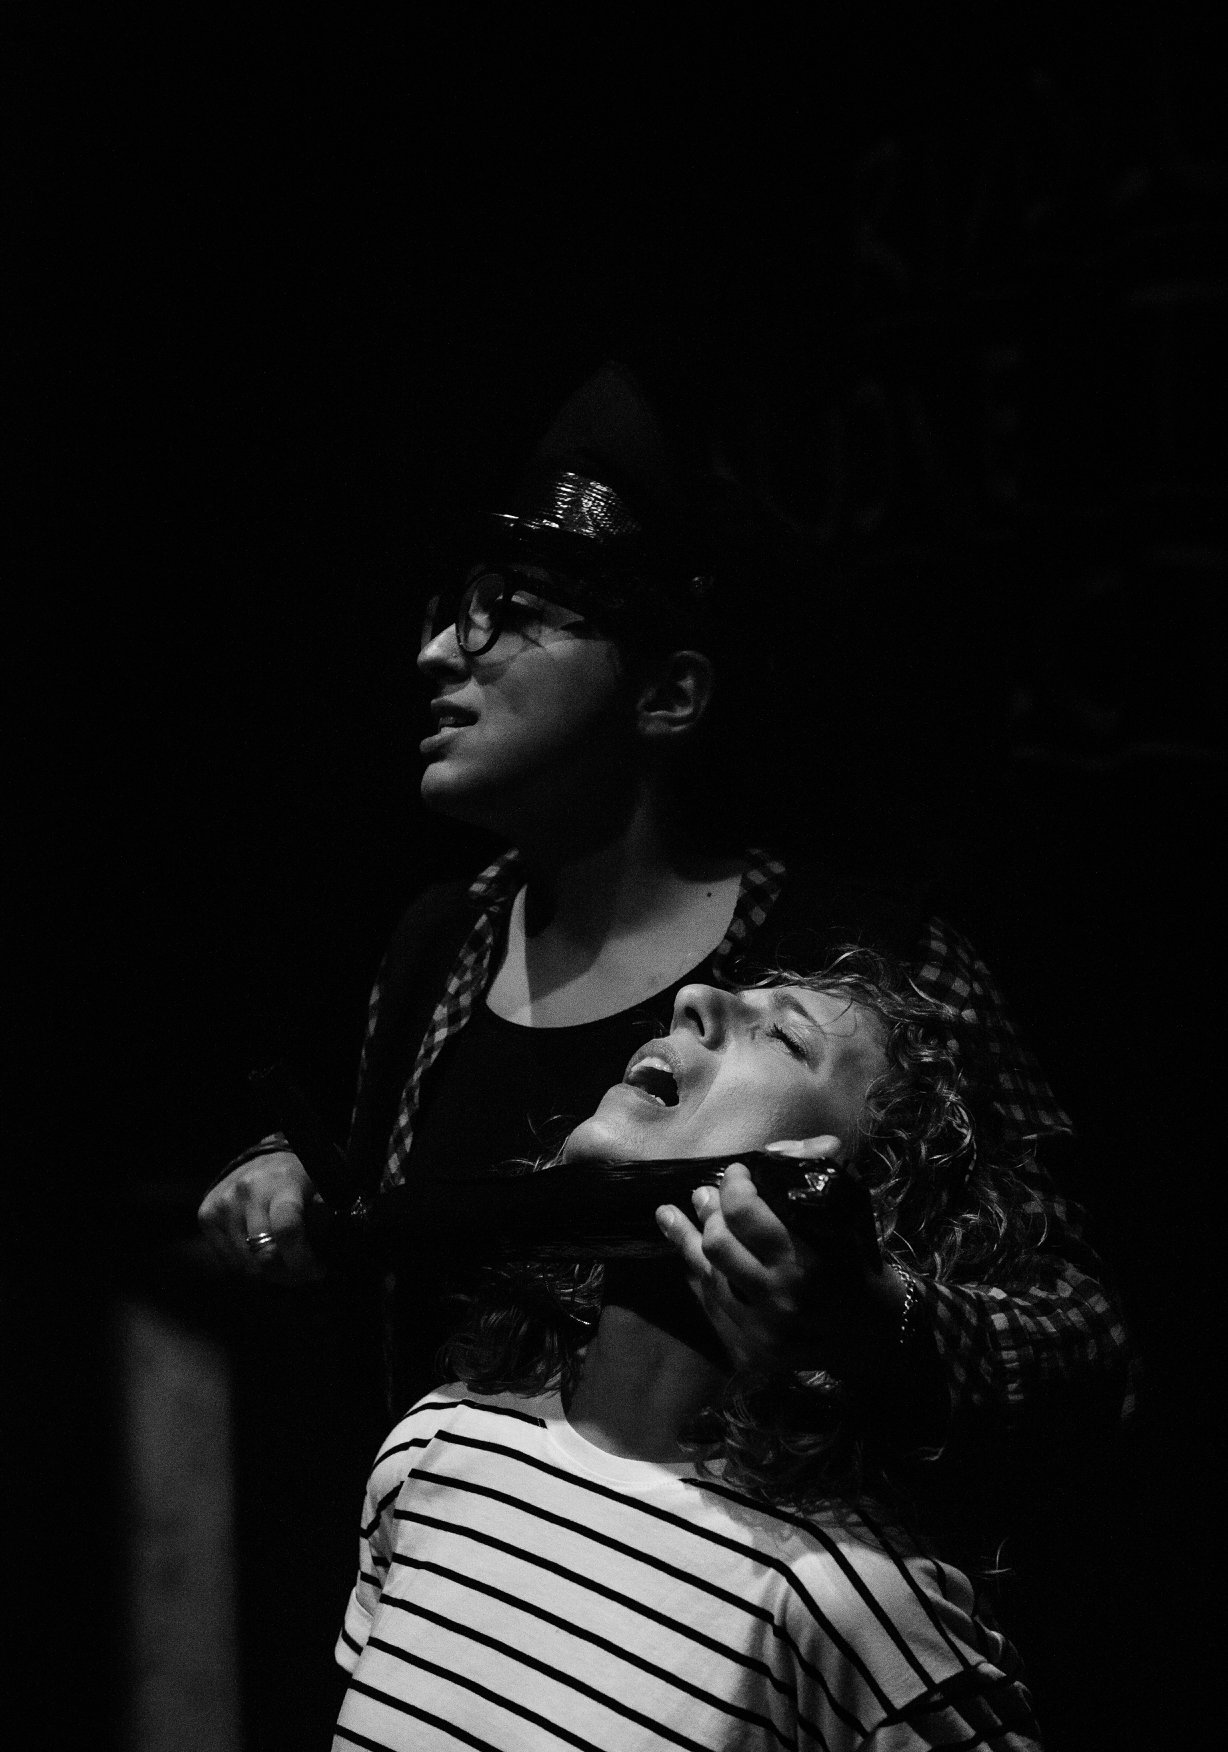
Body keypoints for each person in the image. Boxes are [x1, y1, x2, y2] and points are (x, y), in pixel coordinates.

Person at [199, 354, 1134, 1460]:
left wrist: (875, 1322)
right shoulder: (444, 944)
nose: (438, 652)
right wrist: (294, 1184)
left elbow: (1088, 1341)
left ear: (669, 693)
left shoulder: (870, 961)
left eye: (509, 614)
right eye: (452, 612)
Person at [331, 957, 1044, 1750]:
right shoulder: (432, 1447)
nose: (693, 999)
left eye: (784, 1037)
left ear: (842, 1188)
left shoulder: (848, 1607)